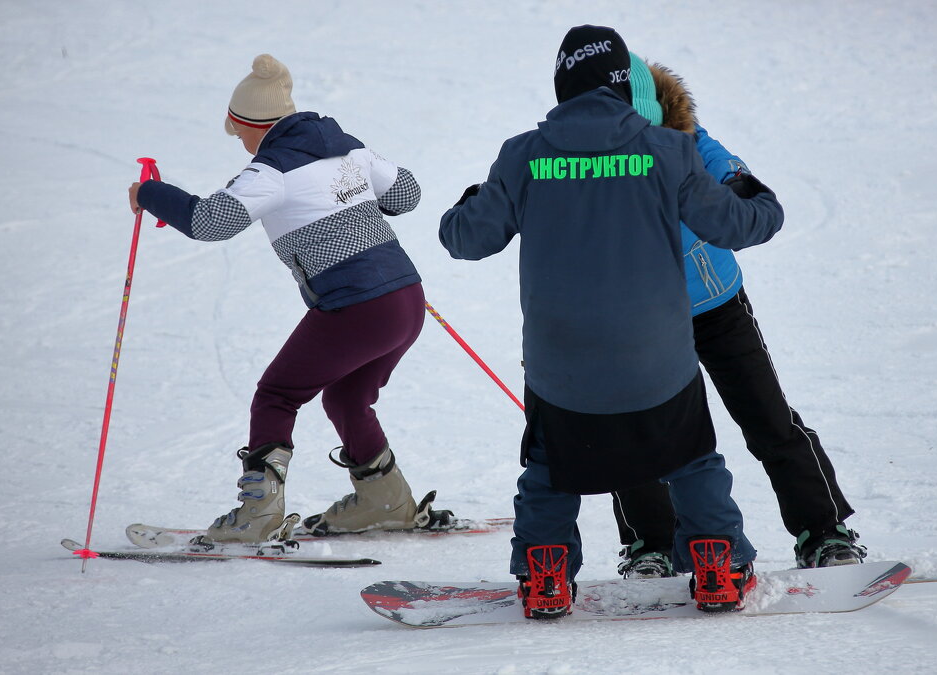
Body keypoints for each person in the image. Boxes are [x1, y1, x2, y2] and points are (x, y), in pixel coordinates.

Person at [438, 25, 784, 617]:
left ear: (562, 84)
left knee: (551, 465)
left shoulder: (523, 155)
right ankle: (717, 564)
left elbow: (463, 237)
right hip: (656, 356)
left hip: (561, 363)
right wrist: (752, 189)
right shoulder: (667, 151)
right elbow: (745, 223)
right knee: (691, 456)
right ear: (625, 83)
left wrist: (482, 194)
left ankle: (546, 574)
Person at [128, 53, 430, 544]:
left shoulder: (270, 170)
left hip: (355, 306)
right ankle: (385, 500)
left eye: (239, 133)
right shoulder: (349, 149)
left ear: (252, 125)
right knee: (347, 394)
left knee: (277, 395)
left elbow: (211, 222)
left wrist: (149, 193)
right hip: (406, 300)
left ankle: (258, 515)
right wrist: (362, 197)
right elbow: (408, 194)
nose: (241, 145)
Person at [611, 54, 865, 578]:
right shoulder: (591, 154)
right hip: (637, 317)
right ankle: (650, 545)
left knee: (768, 418)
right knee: (638, 432)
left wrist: (738, 191)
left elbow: (730, 170)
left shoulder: (687, 139)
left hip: (715, 305)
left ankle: (823, 530)